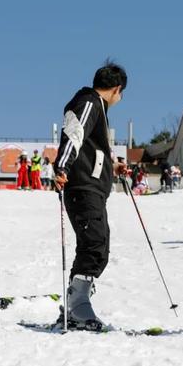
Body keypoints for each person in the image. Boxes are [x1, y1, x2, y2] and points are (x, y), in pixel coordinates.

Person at [53, 61, 127, 330]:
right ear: (117, 89)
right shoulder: (89, 103)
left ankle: (75, 305)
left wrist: (114, 166)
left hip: (92, 187)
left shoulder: (96, 107)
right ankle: (77, 308)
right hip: (82, 187)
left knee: (98, 247)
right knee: (94, 244)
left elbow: (91, 147)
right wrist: (62, 165)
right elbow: (73, 135)